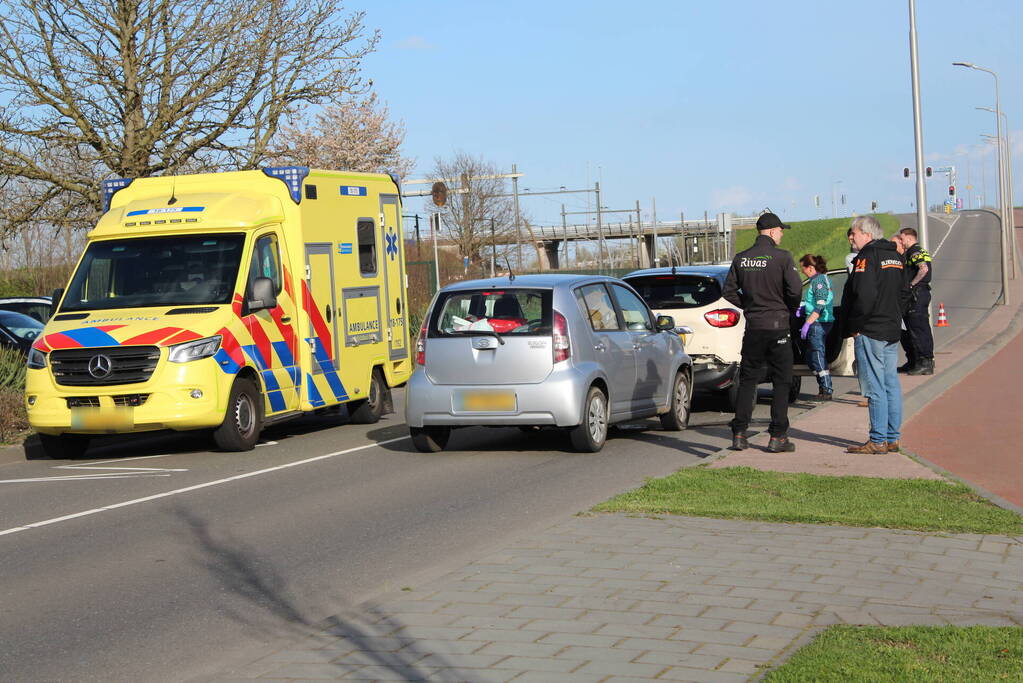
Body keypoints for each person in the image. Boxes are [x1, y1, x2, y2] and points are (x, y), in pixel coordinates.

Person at [722, 212, 803, 453]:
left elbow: (729, 291)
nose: (781, 234)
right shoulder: (782, 257)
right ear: (770, 231)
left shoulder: (741, 258)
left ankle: (739, 433)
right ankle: (777, 436)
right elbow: (796, 289)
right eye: (780, 230)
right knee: (781, 381)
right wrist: (787, 308)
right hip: (778, 325)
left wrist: (749, 305)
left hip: (754, 326)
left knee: (748, 380)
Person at [842, 216, 907, 454]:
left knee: (875, 386)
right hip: (891, 327)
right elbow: (905, 291)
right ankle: (892, 437)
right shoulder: (896, 257)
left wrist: (856, 325)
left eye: (855, 233)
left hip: (871, 328)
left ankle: (877, 440)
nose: (852, 237)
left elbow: (863, 294)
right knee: (891, 383)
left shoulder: (866, 257)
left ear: (867, 235)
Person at [896, 227, 935, 375]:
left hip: (917, 294)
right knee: (915, 329)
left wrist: (912, 284)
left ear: (909, 237)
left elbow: (923, 269)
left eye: (902, 238)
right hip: (919, 293)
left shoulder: (914, 251)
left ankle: (925, 362)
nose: (901, 241)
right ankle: (917, 362)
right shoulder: (916, 251)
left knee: (919, 329)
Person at [797, 254, 834, 401]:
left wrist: (808, 323)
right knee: (811, 356)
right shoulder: (820, 279)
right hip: (820, 321)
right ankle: (823, 387)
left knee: (817, 355)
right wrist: (804, 307)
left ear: (811, 268)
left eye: (803, 269)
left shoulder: (819, 281)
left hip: (818, 323)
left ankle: (826, 388)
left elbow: (820, 303)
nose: (803, 272)